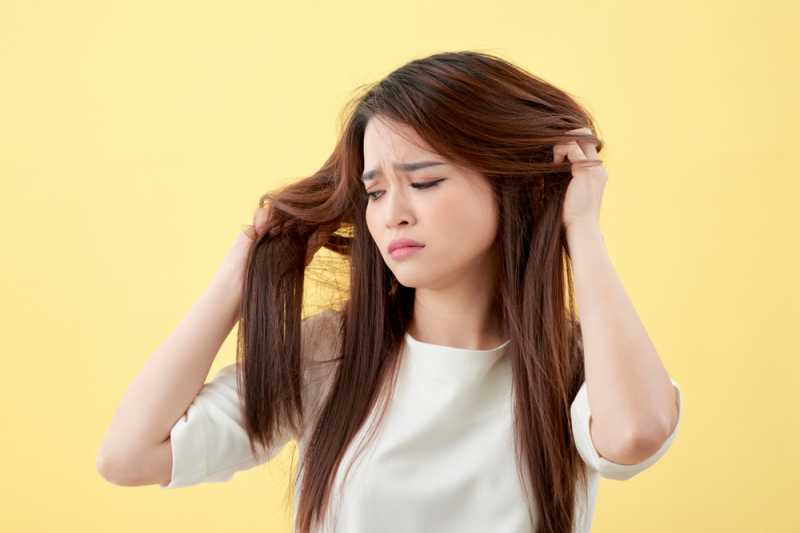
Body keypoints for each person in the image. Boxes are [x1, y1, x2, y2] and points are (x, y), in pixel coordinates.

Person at [97, 50, 683, 533]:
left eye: (424, 181)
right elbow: (128, 456)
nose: (392, 214)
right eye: (375, 192)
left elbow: (632, 435)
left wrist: (578, 226)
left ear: (511, 187)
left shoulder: (580, 362)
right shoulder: (333, 353)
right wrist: (238, 278)